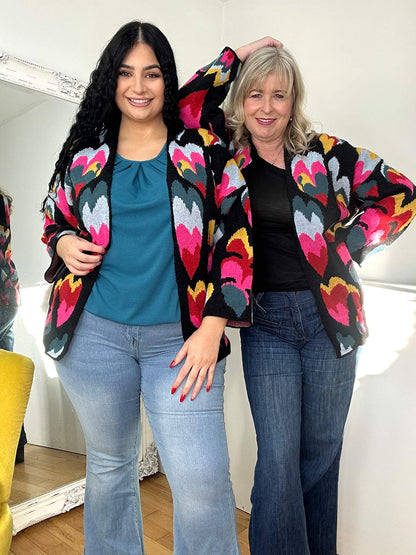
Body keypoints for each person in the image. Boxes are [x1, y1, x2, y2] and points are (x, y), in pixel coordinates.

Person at [179, 39, 416, 554]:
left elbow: (401, 192)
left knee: (322, 453)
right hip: (266, 323)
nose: (266, 107)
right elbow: (183, 105)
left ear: (294, 100)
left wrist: (349, 243)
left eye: (279, 95)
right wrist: (235, 55)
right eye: (255, 94)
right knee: (279, 459)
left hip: (332, 320)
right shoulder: (225, 153)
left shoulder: (327, 154)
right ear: (241, 99)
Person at [41, 21, 253, 555]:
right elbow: (53, 214)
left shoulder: (201, 150)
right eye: (126, 73)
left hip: (182, 344)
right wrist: (64, 241)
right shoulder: (86, 154)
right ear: (111, 82)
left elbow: (237, 233)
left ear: (167, 82)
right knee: (110, 470)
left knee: (202, 482)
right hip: (93, 338)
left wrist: (212, 326)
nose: (139, 86)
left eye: (152, 74)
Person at [0, 189, 26, 463]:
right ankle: (15, 450)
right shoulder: (3, 200)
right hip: (8, 295)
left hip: (2, 297)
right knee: (4, 378)